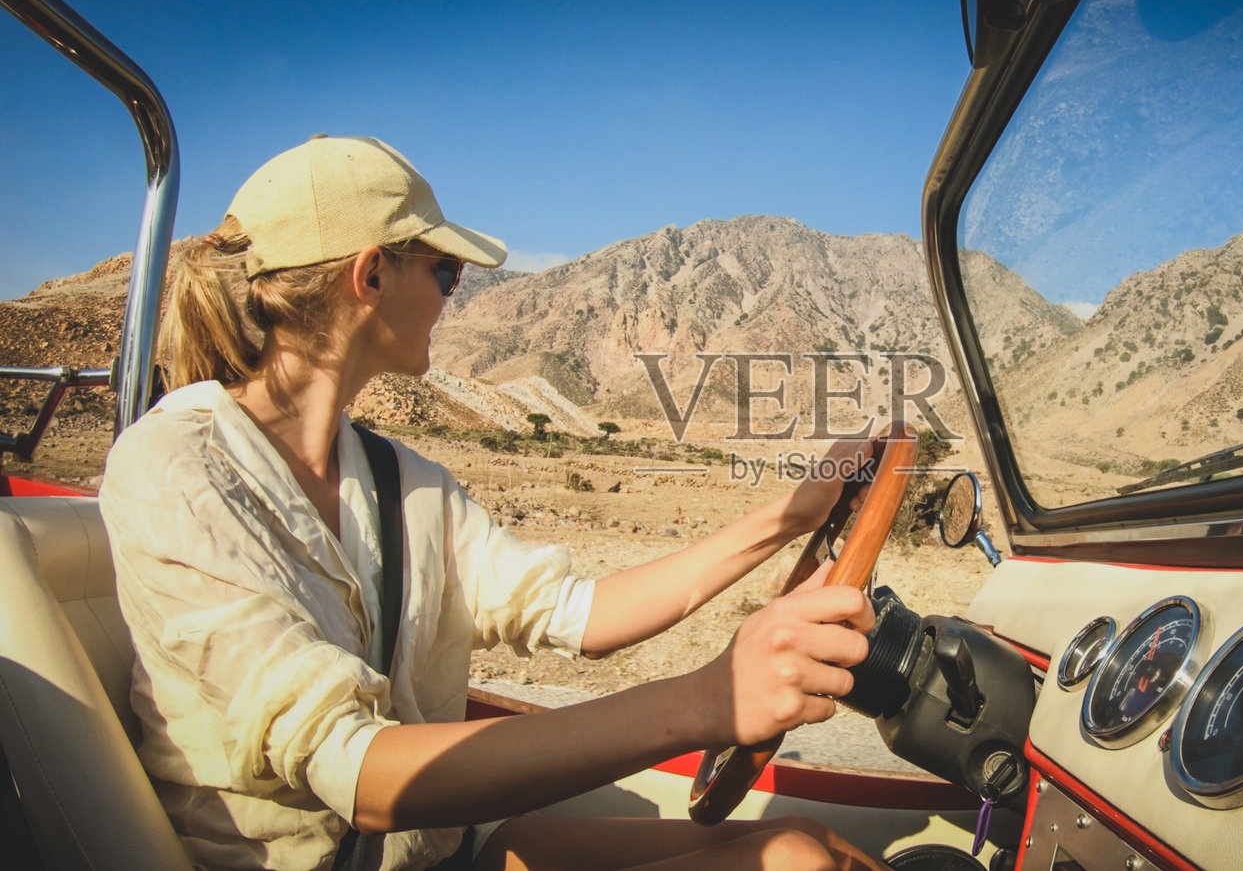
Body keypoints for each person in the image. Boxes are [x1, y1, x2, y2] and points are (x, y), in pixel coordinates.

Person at [101, 135, 888, 871]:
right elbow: (362, 776)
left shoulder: (399, 479)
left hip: (429, 851)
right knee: (796, 860)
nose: (453, 298)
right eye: (446, 274)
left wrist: (790, 516)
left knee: (803, 839)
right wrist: (708, 700)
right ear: (370, 277)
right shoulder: (176, 470)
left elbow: (578, 615)